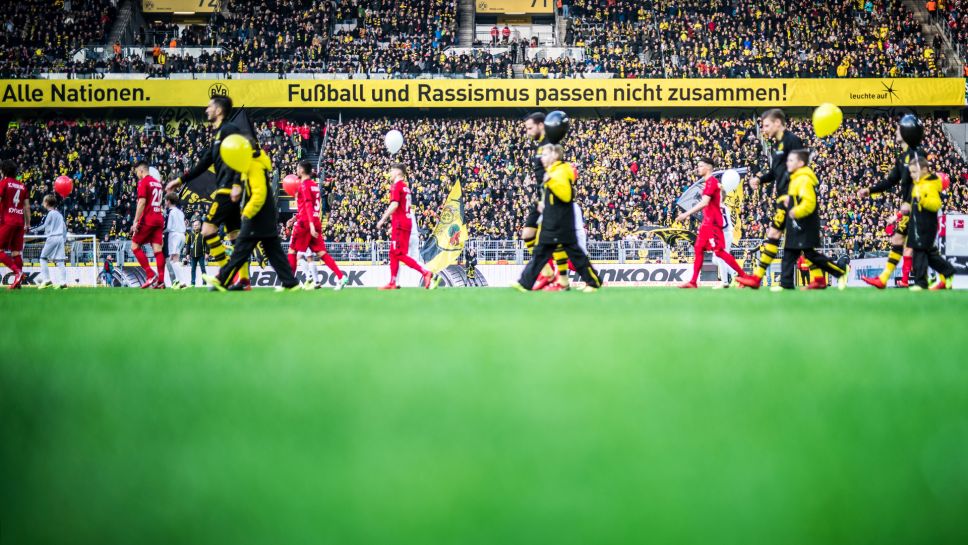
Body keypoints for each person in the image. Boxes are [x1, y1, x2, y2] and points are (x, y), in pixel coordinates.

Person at [165, 94, 245, 287]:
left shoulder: (230, 130)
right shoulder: (218, 135)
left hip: (227, 190)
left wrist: (237, 183)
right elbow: (203, 164)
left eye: (209, 107)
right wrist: (180, 180)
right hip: (226, 189)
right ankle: (243, 279)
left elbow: (242, 154)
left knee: (207, 230)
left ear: (218, 110)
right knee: (234, 236)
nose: (206, 110)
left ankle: (224, 276)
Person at [745, 149, 848, 290]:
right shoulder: (796, 177)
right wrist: (789, 202)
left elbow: (809, 202)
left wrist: (795, 210)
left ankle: (840, 271)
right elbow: (797, 198)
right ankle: (786, 284)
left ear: (800, 163)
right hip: (799, 220)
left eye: (791, 160)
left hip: (805, 221)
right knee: (790, 251)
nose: (788, 163)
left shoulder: (803, 179)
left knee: (808, 253)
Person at [203, 143, 300, 292]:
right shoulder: (254, 165)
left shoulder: (253, 166)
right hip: (265, 216)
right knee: (274, 252)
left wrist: (246, 214)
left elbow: (259, 194)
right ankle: (291, 283)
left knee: (240, 250)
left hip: (257, 216)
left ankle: (221, 280)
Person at [514, 144, 602, 293]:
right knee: (543, 252)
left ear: (555, 156)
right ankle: (527, 283)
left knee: (573, 254)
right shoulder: (553, 171)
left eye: (546, 155)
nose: (543, 158)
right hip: (554, 219)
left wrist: (551, 182)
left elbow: (566, 195)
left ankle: (591, 282)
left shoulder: (560, 171)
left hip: (561, 220)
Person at [743, 109, 805, 288]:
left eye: (766, 125)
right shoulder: (777, 144)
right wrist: (760, 179)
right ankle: (757, 278)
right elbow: (776, 172)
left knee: (798, 241)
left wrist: (793, 195)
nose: (763, 129)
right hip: (783, 197)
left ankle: (831, 273)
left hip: (793, 197)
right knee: (775, 234)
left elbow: (801, 170)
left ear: (778, 123)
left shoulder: (792, 140)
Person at [857, 123, 921, 289]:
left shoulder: (918, 154)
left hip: (920, 207)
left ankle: (944, 276)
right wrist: (869, 190)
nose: (896, 132)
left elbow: (922, 183)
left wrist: (904, 209)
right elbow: (891, 181)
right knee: (899, 240)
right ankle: (885, 278)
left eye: (899, 129)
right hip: (909, 208)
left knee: (923, 248)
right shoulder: (903, 157)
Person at [675, 157, 753, 288]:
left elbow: (705, 202)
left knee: (720, 253)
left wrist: (686, 214)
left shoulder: (712, 182)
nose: (698, 168)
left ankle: (743, 277)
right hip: (707, 222)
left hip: (713, 223)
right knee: (698, 248)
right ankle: (693, 282)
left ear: (708, 168)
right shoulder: (709, 183)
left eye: (700, 166)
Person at [286, 160, 347, 290]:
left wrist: (310, 224)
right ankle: (341, 277)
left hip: (306, 223)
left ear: (302, 170)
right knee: (321, 253)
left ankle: (290, 283)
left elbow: (308, 205)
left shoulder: (303, 185)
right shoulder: (314, 185)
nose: (296, 171)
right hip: (315, 221)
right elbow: (311, 207)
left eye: (297, 168)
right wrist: (296, 218)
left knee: (293, 250)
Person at [375, 163, 434, 290]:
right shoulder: (406, 187)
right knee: (393, 252)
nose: (390, 173)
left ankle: (425, 272)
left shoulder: (396, 186)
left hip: (400, 224)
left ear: (397, 172)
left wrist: (382, 219)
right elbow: (402, 208)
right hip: (405, 223)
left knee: (399, 253)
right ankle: (393, 282)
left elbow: (394, 205)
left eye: (391, 171)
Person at [906, 157, 955, 290]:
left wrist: (924, 200)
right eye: (911, 172)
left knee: (920, 251)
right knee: (929, 253)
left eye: (914, 172)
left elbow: (936, 204)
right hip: (919, 223)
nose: (912, 175)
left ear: (924, 170)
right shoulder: (919, 184)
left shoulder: (930, 184)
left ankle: (921, 283)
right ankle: (948, 272)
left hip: (927, 223)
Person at [130, 161, 167, 289]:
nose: (137, 176)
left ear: (141, 170)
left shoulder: (144, 182)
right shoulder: (158, 183)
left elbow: (142, 202)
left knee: (134, 245)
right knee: (158, 250)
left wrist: (135, 221)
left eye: (137, 173)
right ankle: (161, 281)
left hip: (148, 219)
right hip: (158, 218)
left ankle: (150, 274)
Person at [0, 160, 29, 289]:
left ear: (4, 171)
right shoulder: (22, 186)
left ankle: (18, 273)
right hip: (19, 222)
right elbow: (26, 207)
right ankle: (18, 284)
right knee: (16, 253)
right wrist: (27, 224)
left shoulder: (4, 183)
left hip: (7, 221)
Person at [30, 194, 68, 289]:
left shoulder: (49, 213)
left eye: (44, 201)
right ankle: (63, 283)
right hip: (60, 238)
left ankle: (47, 280)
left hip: (52, 237)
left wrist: (30, 229)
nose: (43, 203)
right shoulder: (59, 214)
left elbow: (42, 225)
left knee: (43, 258)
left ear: (46, 203)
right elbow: (64, 228)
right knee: (60, 261)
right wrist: (64, 239)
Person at [164, 193, 189, 289]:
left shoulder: (170, 211)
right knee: (173, 259)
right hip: (182, 235)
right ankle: (178, 281)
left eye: (166, 200)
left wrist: (160, 231)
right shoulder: (180, 212)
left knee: (174, 260)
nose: (165, 202)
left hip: (174, 235)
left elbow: (168, 226)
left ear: (169, 201)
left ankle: (182, 282)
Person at [186, 220, 206, 286]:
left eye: (196, 225)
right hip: (192, 255)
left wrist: (207, 253)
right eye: (194, 225)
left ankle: (204, 282)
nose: (195, 226)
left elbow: (207, 244)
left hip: (201, 255)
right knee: (193, 269)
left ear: (200, 226)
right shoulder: (191, 234)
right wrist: (187, 254)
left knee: (203, 269)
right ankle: (192, 283)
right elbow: (188, 244)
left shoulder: (203, 234)